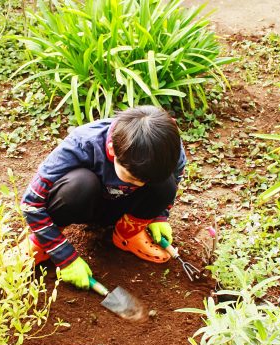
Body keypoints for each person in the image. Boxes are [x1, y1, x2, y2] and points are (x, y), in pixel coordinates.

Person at [20, 105, 187, 289]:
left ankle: (127, 235)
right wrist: (64, 256)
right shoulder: (82, 142)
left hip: (122, 208)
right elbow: (31, 204)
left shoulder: (169, 149)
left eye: (146, 181)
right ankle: (44, 243)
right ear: (112, 149)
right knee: (81, 184)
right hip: (83, 202)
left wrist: (159, 215)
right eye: (131, 177)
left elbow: (175, 178)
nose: (140, 185)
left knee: (165, 184)